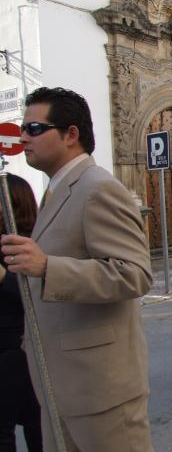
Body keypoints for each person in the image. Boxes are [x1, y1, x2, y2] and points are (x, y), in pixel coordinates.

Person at [1, 87, 153, 450]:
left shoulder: (97, 188)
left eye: (35, 129)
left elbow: (135, 273)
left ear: (71, 135)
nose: (24, 137)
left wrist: (47, 267)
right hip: (62, 385)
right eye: (24, 128)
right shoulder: (59, 188)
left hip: (100, 391)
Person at [0, 174, 42, 452]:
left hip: (15, 349)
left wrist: (4, 278)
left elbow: (37, 294)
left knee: (33, 426)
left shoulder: (28, 245)